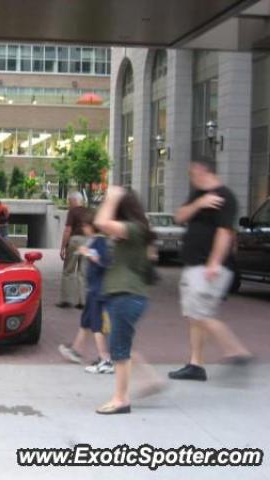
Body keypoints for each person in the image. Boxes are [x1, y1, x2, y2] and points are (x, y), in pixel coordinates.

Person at [169, 157, 253, 382]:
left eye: (193, 172)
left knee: (201, 314)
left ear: (203, 171)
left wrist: (214, 263)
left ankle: (237, 352)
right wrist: (199, 203)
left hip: (208, 267)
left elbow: (225, 232)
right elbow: (179, 217)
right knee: (193, 315)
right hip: (193, 265)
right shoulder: (198, 195)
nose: (191, 176)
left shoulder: (226, 197)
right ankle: (196, 364)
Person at [94, 186, 160, 414]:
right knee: (120, 346)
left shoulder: (133, 229)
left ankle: (121, 399)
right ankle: (149, 380)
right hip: (126, 295)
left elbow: (101, 222)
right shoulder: (137, 231)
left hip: (126, 295)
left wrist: (112, 197)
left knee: (119, 349)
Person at [58, 212, 113, 374]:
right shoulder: (95, 240)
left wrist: (88, 253)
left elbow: (105, 262)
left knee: (96, 324)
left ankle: (105, 358)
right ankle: (76, 349)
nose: (83, 229)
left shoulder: (100, 241)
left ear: (90, 227)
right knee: (86, 320)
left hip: (98, 290)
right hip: (94, 289)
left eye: (84, 226)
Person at [58, 191, 88, 308]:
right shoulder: (89, 211)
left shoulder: (73, 211)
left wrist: (63, 248)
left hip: (75, 240)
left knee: (68, 271)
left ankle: (66, 300)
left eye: (69, 201)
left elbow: (68, 230)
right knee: (83, 272)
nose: (69, 204)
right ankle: (83, 302)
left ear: (75, 200)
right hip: (87, 241)